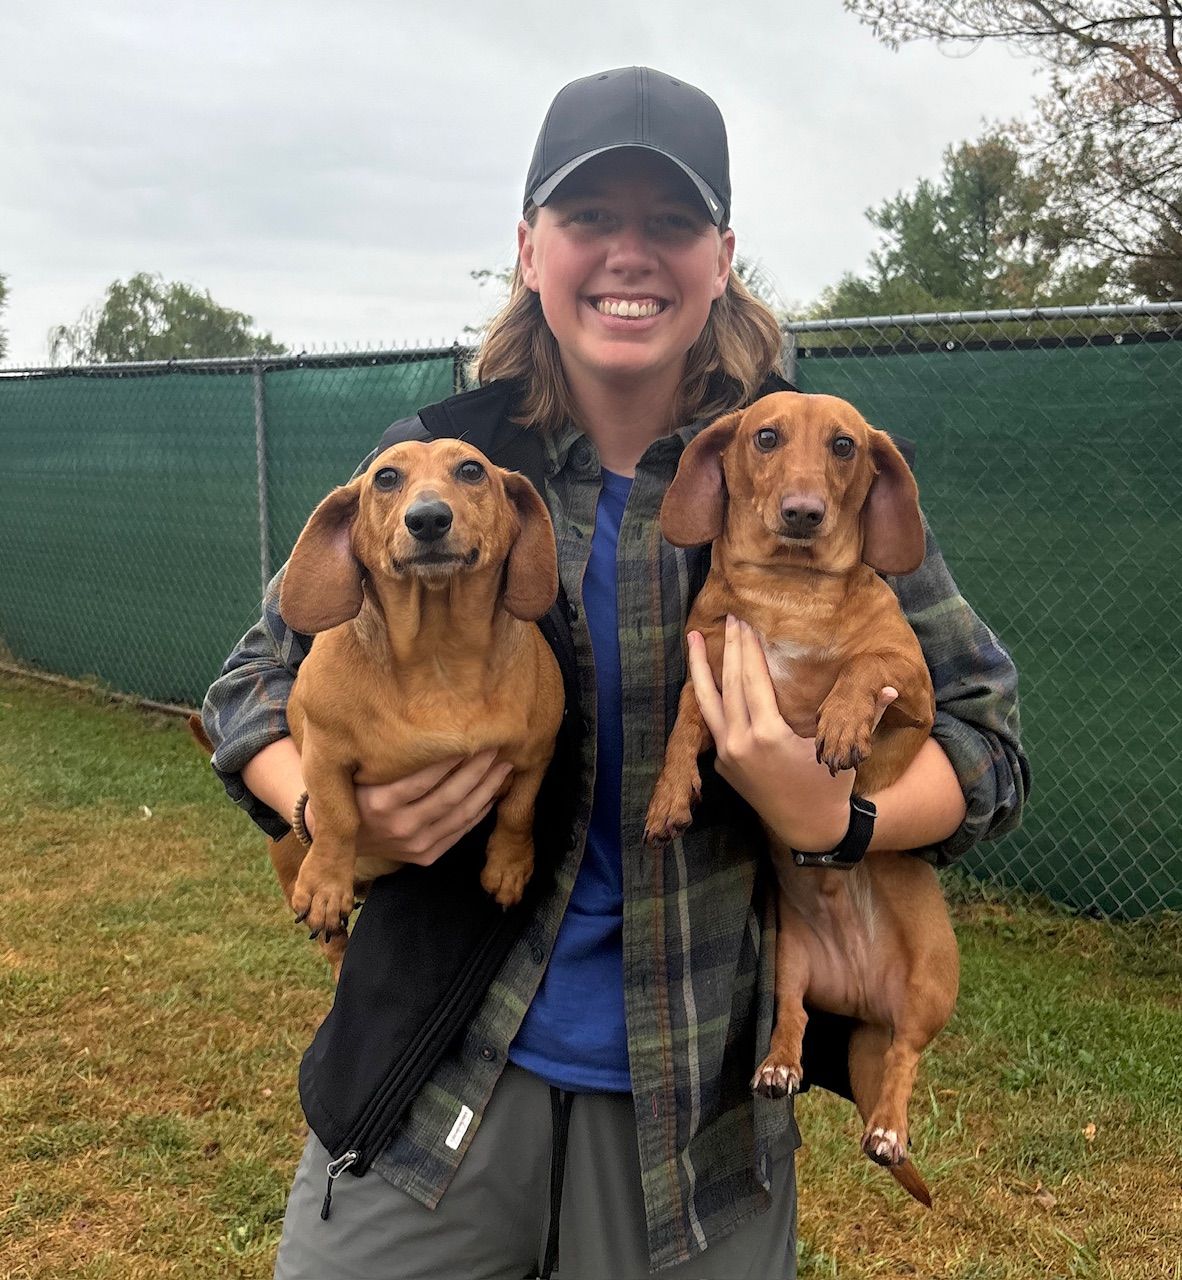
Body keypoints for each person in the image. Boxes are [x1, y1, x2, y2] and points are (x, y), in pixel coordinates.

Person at [202, 66, 1028, 1280]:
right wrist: (330, 811)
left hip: (694, 1117)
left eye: (671, 223)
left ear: (722, 255)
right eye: (591, 219)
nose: (629, 255)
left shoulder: (800, 469)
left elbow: (989, 742)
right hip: (430, 1077)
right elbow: (246, 690)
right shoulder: (447, 466)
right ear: (530, 248)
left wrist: (838, 817)